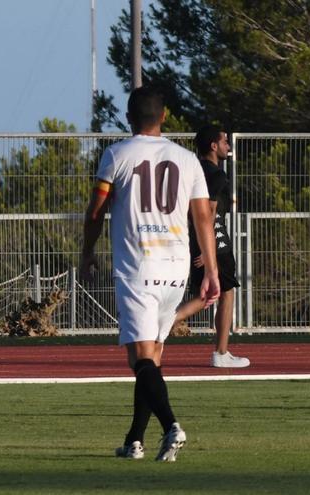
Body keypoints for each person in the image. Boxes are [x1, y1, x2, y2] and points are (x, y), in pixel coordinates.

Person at [79, 86, 220, 462]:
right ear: (165, 117)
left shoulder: (117, 154)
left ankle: (172, 425)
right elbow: (203, 215)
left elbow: (96, 211)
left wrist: (87, 254)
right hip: (176, 267)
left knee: (139, 360)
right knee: (152, 357)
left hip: (138, 265)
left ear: (128, 117)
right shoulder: (187, 158)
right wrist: (212, 270)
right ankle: (134, 441)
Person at [173, 125, 250, 368]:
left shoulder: (192, 170)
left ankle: (162, 324)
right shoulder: (217, 175)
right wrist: (210, 253)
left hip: (197, 240)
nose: (229, 146)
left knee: (205, 295)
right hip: (216, 242)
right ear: (214, 146)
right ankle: (221, 352)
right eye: (225, 141)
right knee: (225, 294)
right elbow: (209, 212)